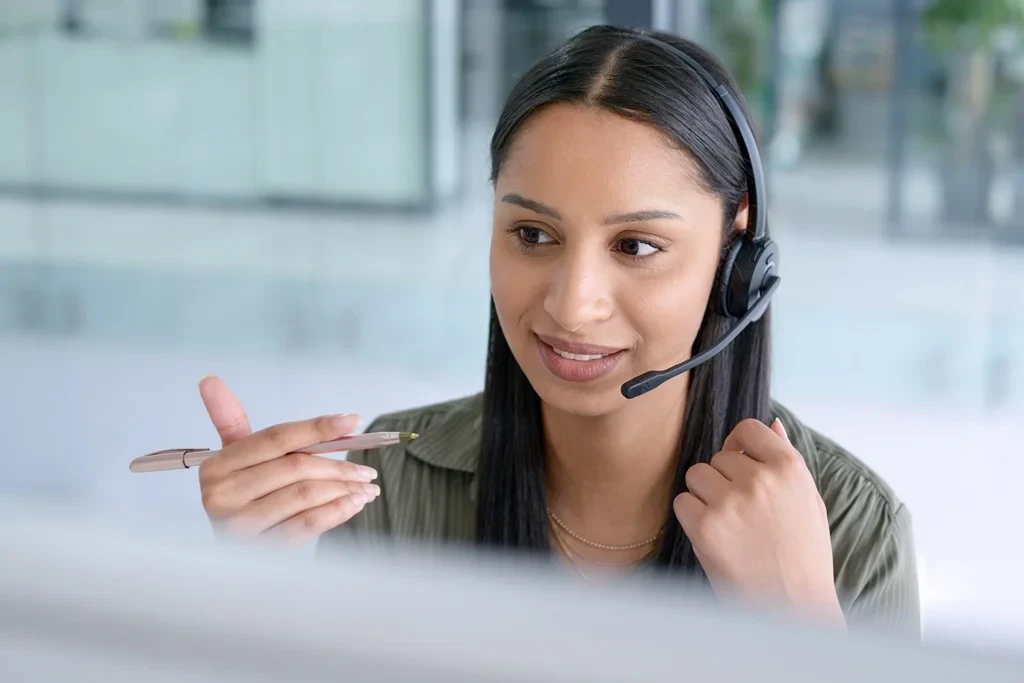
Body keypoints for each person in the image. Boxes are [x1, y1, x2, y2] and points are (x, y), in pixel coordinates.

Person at [195, 26, 919, 636]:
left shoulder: (850, 530)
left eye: (636, 246)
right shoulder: (390, 491)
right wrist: (251, 591)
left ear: (738, 261)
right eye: (532, 233)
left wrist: (801, 630)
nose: (572, 308)